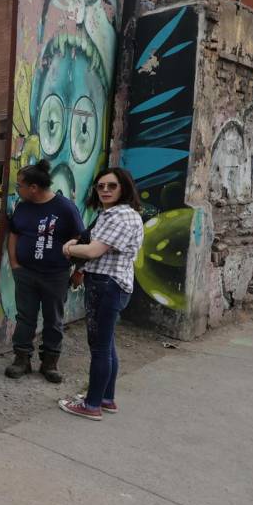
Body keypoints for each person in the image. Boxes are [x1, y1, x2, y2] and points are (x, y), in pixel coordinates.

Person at [58, 167, 144, 420]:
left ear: (124, 187)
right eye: (101, 186)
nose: (105, 190)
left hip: (107, 286)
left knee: (99, 348)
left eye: (112, 186)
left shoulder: (120, 216)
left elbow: (95, 251)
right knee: (106, 346)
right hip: (109, 285)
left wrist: (70, 248)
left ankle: (92, 405)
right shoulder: (113, 214)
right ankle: (105, 398)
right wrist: (78, 244)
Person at [4, 159, 84, 383]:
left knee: (53, 319)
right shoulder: (23, 207)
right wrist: (15, 264)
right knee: (25, 317)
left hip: (55, 275)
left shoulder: (65, 208)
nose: (17, 189)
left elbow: (80, 238)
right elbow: (14, 234)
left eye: (19, 185)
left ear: (33, 188)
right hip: (26, 273)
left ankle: (50, 363)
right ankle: (22, 360)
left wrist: (79, 269)